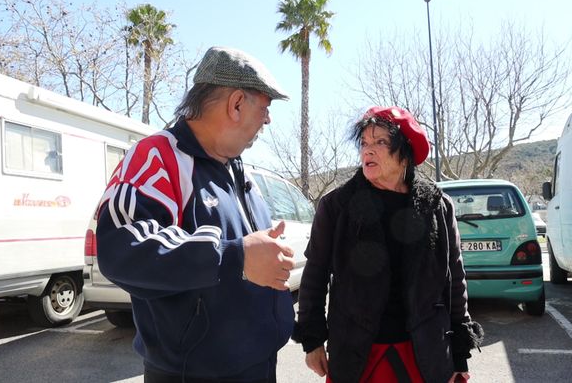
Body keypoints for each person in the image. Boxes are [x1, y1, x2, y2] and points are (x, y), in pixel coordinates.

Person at [95, 46, 296, 382]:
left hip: (258, 364)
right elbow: (120, 248)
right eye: (265, 106)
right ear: (235, 104)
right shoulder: (158, 156)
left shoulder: (236, 169)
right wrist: (236, 257)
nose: (268, 119)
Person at [292, 106, 483, 383]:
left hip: (425, 355)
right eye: (364, 143)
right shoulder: (336, 206)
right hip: (358, 355)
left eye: (380, 142)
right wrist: (312, 340)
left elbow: (454, 282)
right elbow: (315, 275)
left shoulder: (437, 206)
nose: (368, 151)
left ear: (405, 151)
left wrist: (460, 354)